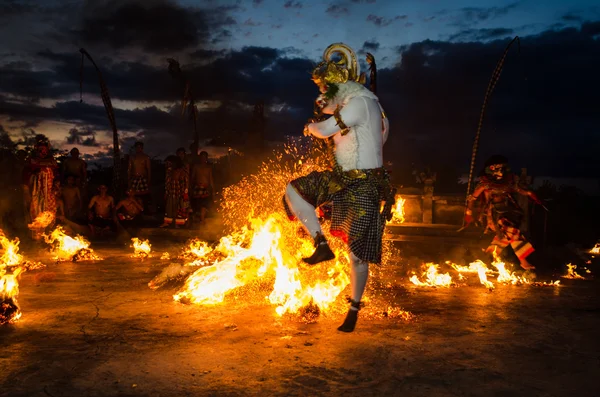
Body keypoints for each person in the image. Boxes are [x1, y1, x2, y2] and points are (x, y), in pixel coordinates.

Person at [282, 43, 395, 333]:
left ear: (341, 86)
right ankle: (321, 244)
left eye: (325, 89)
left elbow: (325, 130)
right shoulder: (361, 105)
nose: (321, 96)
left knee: (356, 256)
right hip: (341, 179)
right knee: (295, 190)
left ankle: (354, 309)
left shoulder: (362, 104)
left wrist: (310, 126)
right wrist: (323, 108)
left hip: (364, 185)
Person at [465, 155, 543, 270]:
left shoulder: (508, 183)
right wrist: (468, 212)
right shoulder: (485, 184)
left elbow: (520, 190)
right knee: (511, 231)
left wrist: (531, 195)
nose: (500, 171)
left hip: (508, 212)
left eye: (502, 168)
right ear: (491, 169)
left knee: (504, 236)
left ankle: (489, 256)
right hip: (493, 214)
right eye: (496, 168)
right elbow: (472, 198)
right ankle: (523, 260)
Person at [26, 138, 58, 239]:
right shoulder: (32, 159)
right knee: (36, 212)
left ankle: (49, 238)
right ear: (37, 150)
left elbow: (54, 165)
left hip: (48, 192)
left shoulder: (51, 159)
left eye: (45, 150)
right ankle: (37, 238)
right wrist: (44, 163)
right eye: (41, 150)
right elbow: (33, 164)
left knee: (50, 213)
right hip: (37, 193)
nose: (43, 152)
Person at [162, 155, 190, 228]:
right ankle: (167, 222)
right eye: (167, 163)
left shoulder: (182, 170)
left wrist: (185, 192)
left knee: (179, 208)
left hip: (179, 192)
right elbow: (167, 182)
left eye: (169, 163)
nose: (167, 164)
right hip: (171, 192)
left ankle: (177, 223)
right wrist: (166, 192)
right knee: (169, 207)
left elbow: (185, 181)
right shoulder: (169, 170)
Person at [190, 151, 214, 224]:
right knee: (197, 204)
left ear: (206, 158)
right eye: (202, 157)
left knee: (205, 204)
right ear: (200, 158)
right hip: (197, 187)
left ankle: (202, 219)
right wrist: (190, 187)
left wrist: (213, 189)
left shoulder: (208, 167)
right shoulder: (196, 166)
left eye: (204, 157)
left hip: (206, 188)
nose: (203, 159)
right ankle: (197, 219)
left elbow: (210, 179)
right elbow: (192, 177)